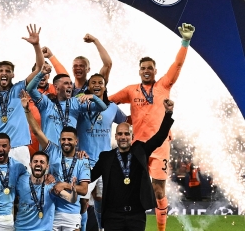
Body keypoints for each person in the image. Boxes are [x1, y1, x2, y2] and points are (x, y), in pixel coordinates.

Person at [108, 23, 195, 231]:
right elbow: (109, 101)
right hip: (137, 146)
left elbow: (177, 65)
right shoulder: (131, 90)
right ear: (139, 71)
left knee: (158, 190)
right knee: (132, 189)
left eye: (150, 68)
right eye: (143, 68)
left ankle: (161, 229)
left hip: (159, 145)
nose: (146, 71)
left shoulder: (164, 85)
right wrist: (90, 98)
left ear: (155, 71)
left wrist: (185, 42)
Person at [90, 99, 175, 231]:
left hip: (136, 216)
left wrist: (168, 113)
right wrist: (80, 161)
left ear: (132, 136)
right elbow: (89, 176)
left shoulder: (141, 151)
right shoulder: (106, 157)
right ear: (116, 137)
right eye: (120, 134)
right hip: (112, 216)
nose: (123, 137)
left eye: (126, 134)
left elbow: (159, 138)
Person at [0, 24, 45, 167]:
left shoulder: (19, 88)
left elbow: (39, 68)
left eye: (7, 70)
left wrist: (36, 45)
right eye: (0, 70)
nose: (4, 73)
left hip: (19, 147)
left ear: (12, 74)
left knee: (22, 186)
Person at [22, 90, 91, 231]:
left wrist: (64, 185)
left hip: (72, 214)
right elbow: (37, 132)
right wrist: (27, 110)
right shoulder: (54, 151)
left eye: (69, 139)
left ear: (76, 141)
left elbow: (83, 190)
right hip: (52, 211)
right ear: (59, 140)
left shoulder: (82, 161)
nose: (66, 142)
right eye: (63, 139)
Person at [76, 73, 127, 231]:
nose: (97, 85)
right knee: (83, 202)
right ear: (89, 86)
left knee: (101, 199)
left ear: (105, 87)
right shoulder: (80, 103)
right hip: (85, 161)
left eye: (100, 82)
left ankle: (101, 229)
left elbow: (125, 121)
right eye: (93, 83)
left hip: (105, 162)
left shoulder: (112, 107)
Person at [27, 64, 107, 145]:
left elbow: (102, 107)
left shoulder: (76, 102)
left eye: (70, 83)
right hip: (49, 153)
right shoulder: (46, 102)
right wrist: (41, 73)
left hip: (68, 152)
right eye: (66, 83)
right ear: (56, 87)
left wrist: (93, 97)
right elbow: (30, 89)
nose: (70, 86)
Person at [15, 151, 78, 231]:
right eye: (35, 161)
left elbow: (72, 199)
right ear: (30, 165)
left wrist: (72, 188)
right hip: (21, 229)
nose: (38, 164)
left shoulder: (51, 186)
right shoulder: (21, 180)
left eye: (42, 162)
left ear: (47, 166)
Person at [27, 46, 69, 156]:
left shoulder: (56, 89)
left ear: (49, 74)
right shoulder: (25, 93)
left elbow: (66, 79)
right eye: (39, 71)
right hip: (30, 145)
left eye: (45, 71)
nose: (42, 74)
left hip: (52, 144)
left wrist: (51, 57)